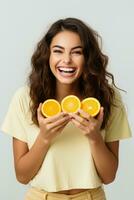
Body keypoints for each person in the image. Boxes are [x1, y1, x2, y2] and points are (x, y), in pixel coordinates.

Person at [1, 17, 131, 200]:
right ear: (47, 55)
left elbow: (109, 176)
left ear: (88, 57)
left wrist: (94, 138)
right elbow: (22, 176)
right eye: (58, 51)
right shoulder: (25, 98)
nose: (66, 60)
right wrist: (45, 138)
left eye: (77, 52)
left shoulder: (107, 98)